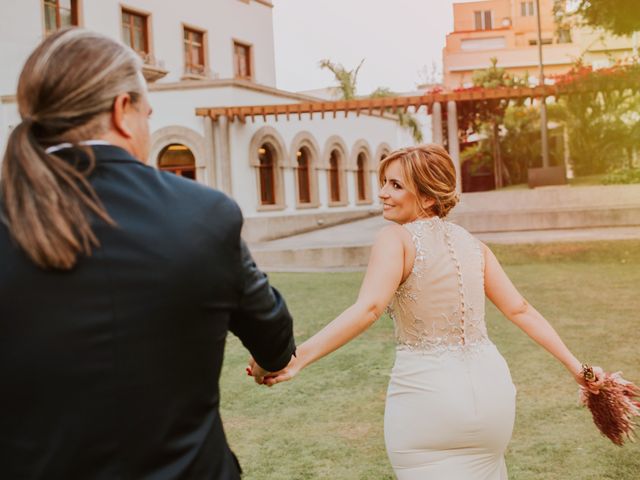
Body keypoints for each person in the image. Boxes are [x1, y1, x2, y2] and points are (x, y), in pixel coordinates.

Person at [0, 28, 295, 479]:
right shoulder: (204, 213)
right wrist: (272, 361)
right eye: (148, 114)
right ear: (123, 111)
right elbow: (274, 340)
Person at [249, 144, 602, 479]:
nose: (383, 193)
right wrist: (579, 369)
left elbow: (369, 308)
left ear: (429, 196)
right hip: (493, 397)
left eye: (396, 185)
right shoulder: (474, 245)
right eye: (384, 182)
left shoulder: (395, 239)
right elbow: (521, 309)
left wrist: (298, 359)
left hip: (428, 401)